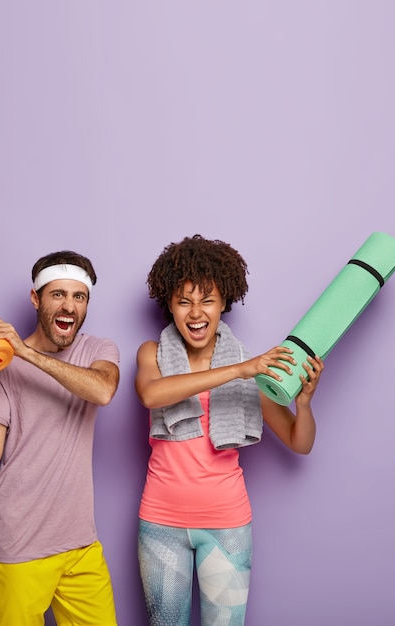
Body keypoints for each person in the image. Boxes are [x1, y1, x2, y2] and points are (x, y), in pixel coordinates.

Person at [135, 234, 324, 626]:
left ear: (224, 303)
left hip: (228, 524)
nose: (195, 312)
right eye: (183, 301)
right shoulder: (152, 353)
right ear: (169, 305)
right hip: (160, 522)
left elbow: (299, 442)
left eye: (207, 300)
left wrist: (302, 404)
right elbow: (152, 395)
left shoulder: (252, 367)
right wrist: (241, 370)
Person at [0, 250, 120, 626]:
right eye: (57, 294)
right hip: (19, 543)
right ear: (36, 299)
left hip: (80, 545)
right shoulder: (0, 368)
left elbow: (103, 391)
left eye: (79, 297)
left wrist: (25, 353)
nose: (69, 306)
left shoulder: (98, 349)